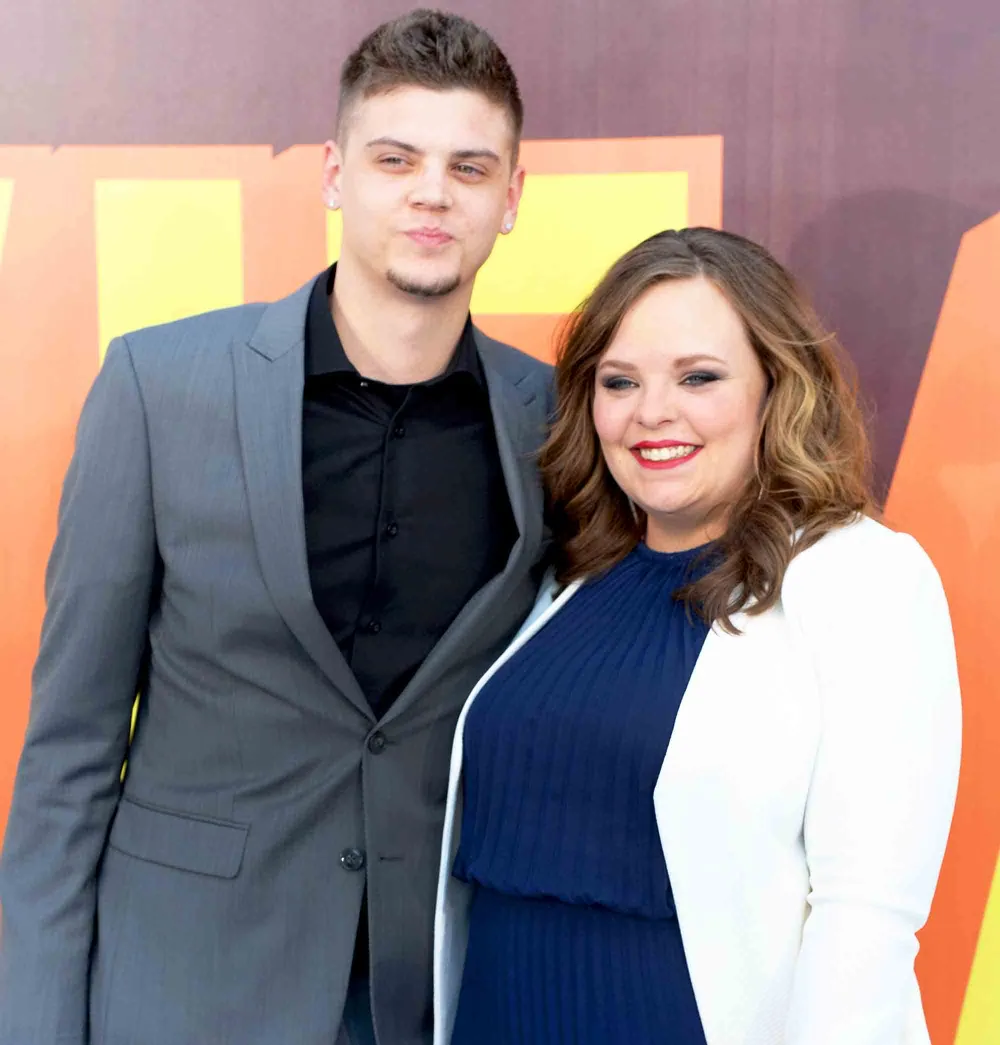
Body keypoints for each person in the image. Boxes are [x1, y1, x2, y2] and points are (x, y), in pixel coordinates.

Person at [0, 11, 551, 1045]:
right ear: (337, 173)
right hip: (183, 988)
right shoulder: (158, 389)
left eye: (468, 167)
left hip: (431, 996)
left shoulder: (554, 424)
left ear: (511, 198)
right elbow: (67, 754)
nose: (432, 192)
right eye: (396, 159)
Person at [432, 227, 962, 1045]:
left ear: (776, 389)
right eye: (621, 381)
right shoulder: (571, 577)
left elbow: (868, 918)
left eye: (699, 377)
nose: (652, 412)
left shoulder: (862, 578)